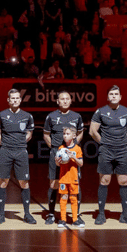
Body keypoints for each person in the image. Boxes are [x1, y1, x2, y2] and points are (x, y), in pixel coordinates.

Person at [89, 84, 127, 225]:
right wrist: (104, 142)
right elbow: (92, 131)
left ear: (120, 97)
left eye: (116, 94)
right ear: (107, 97)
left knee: (124, 181)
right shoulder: (100, 112)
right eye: (111, 94)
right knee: (104, 181)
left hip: (122, 150)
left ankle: (125, 215)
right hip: (106, 151)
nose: (114, 96)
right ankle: (101, 214)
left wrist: (120, 142)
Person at [0, 88, 37, 224]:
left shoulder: (27, 116)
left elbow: (30, 133)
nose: (15, 100)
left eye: (17, 98)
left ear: (20, 99)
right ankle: (1, 214)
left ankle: (27, 214)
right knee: (3, 181)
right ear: (8, 100)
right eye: (12, 98)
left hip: (21, 151)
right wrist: (6, 144)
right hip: (6, 150)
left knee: (24, 183)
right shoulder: (1, 115)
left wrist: (20, 144)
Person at [43, 91, 84, 225]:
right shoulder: (51, 116)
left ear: (71, 101)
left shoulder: (76, 116)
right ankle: (51, 214)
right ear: (57, 101)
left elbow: (80, 132)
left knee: (74, 184)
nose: (65, 101)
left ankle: (76, 215)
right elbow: (46, 134)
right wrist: (56, 150)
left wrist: (73, 146)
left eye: (67, 99)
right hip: (57, 151)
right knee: (54, 183)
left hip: (72, 154)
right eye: (62, 99)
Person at [55, 126, 84, 229]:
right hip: (63, 178)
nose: (65, 136)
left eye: (67, 134)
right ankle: (63, 219)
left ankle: (75, 219)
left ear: (74, 136)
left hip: (73, 178)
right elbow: (58, 164)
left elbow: (81, 163)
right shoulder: (61, 148)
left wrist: (74, 157)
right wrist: (57, 161)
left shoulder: (77, 149)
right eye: (64, 134)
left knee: (73, 198)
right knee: (63, 198)